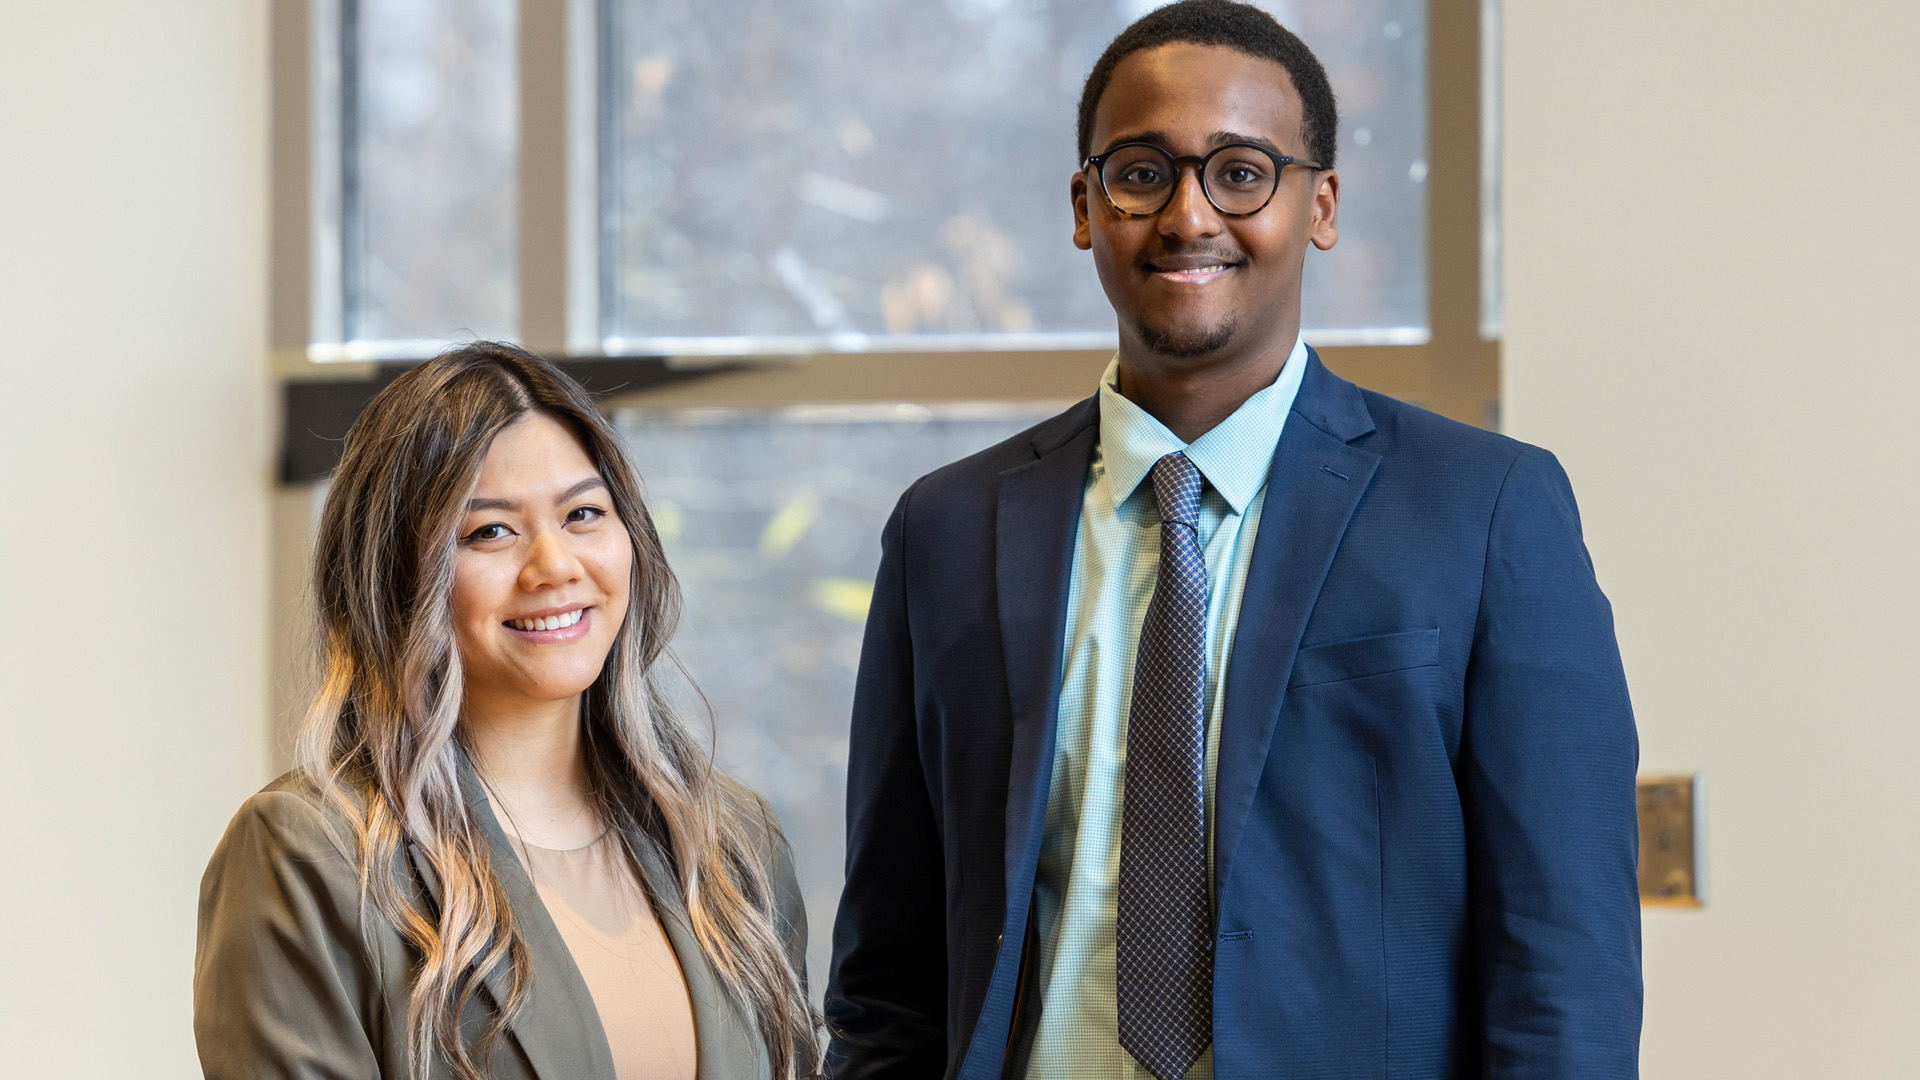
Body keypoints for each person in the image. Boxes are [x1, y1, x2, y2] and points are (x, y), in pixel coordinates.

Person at [825, 3, 1641, 1078]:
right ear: (1084, 205)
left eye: (1243, 172)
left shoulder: (1486, 510)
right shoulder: (947, 529)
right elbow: (890, 974)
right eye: (1141, 172)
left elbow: (1563, 967)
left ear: (1321, 205)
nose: (1189, 215)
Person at [195, 343, 816, 1080]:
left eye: (584, 513)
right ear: (396, 574)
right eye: (490, 530)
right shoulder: (312, 855)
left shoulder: (732, 842)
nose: (555, 565)